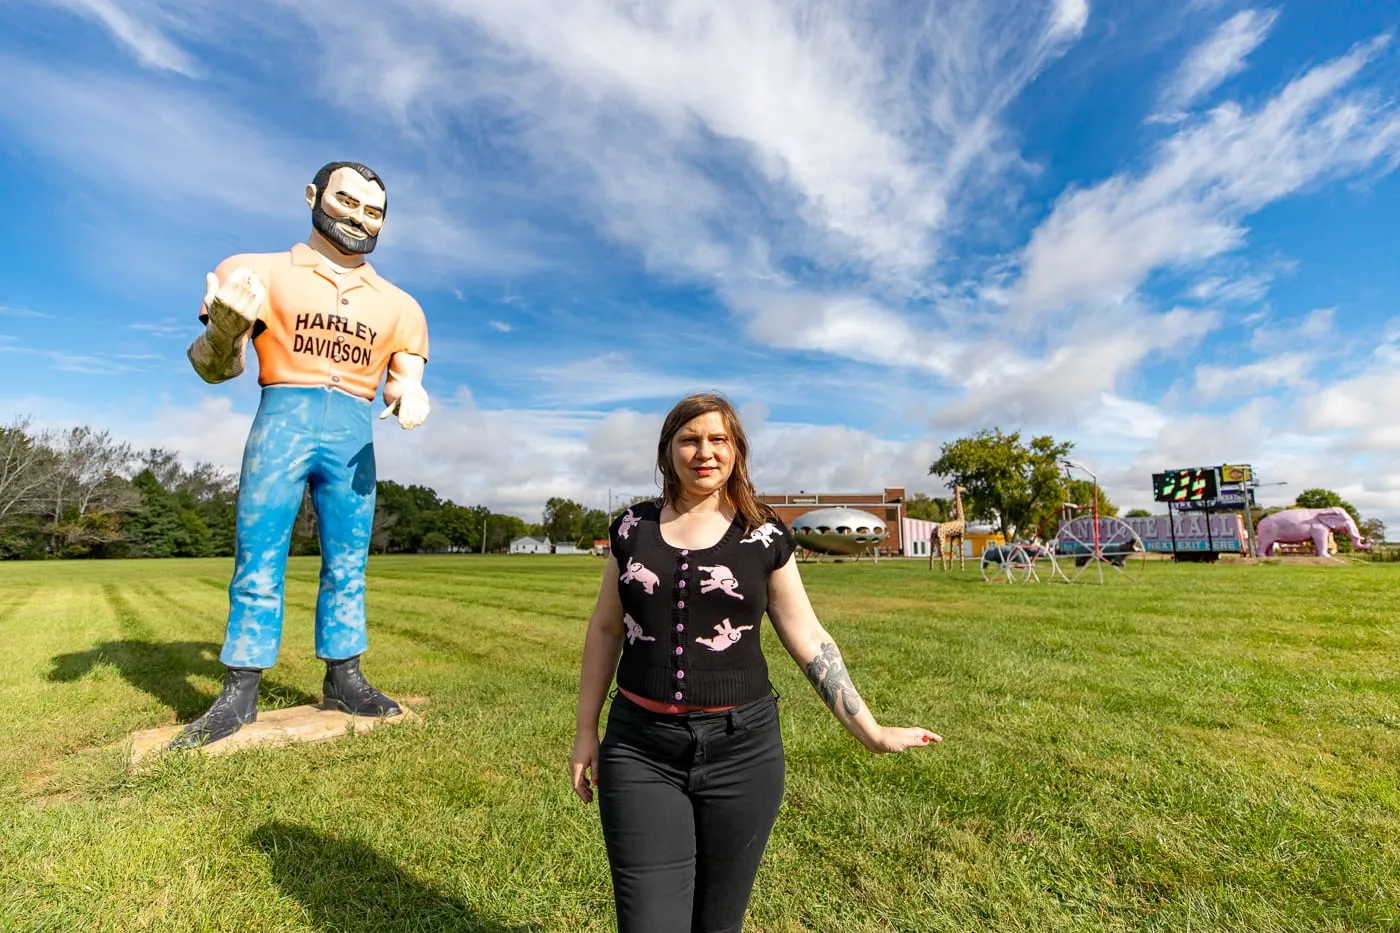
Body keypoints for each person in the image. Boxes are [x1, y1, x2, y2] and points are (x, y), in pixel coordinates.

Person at [570, 393, 940, 933]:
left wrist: (870, 730)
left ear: (736, 450)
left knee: (718, 923)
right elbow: (606, 629)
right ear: (668, 450)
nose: (704, 452)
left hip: (742, 752)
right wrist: (586, 730)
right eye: (689, 439)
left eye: (718, 439)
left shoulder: (764, 533)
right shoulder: (633, 529)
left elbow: (809, 637)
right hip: (640, 750)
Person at [170, 161, 430, 749]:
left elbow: (403, 377)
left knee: (348, 560)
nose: (359, 218)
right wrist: (225, 329)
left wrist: (410, 390)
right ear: (313, 196)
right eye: (347, 202)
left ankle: (345, 676)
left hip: (353, 429)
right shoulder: (254, 273)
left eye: (373, 211)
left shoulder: (400, 306)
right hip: (283, 414)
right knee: (259, 552)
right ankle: (240, 688)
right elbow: (216, 368)